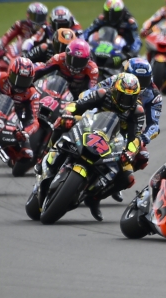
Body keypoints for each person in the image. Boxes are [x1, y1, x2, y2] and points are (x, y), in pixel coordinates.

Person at [36, 73, 145, 221]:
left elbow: (135, 138)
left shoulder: (137, 112)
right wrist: (68, 113)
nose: (126, 102)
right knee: (63, 122)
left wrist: (130, 153)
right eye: (122, 96)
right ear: (114, 91)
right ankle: (47, 153)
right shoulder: (102, 94)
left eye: (130, 98)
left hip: (114, 140)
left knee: (128, 178)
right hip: (89, 125)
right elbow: (77, 104)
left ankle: (94, 197)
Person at [92, 57, 163, 202]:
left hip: (126, 129)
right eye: (136, 78)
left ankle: (113, 183)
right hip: (102, 117)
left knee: (143, 157)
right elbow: (93, 92)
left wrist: (143, 138)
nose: (138, 84)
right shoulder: (116, 80)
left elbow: (154, 125)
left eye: (144, 80)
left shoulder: (154, 95)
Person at [33, 39, 99, 100]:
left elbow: (92, 91)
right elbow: (41, 70)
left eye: (80, 61)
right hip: (55, 91)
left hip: (77, 98)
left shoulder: (93, 69)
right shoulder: (59, 58)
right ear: (66, 55)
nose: (75, 65)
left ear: (88, 60)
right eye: (72, 59)